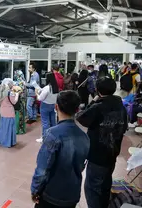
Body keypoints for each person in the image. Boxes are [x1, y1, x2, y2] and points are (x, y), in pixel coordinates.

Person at [31, 90, 89, 208]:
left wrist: (35, 189)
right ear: (77, 109)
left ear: (56, 107)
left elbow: (42, 169)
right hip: (72, 195)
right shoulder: (85, 137)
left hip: (52, 195)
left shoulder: (52, 134)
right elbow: (82, 166)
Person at [76, 77, 128, 208]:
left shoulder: (98, 107)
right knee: (105, 185)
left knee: (92, 189)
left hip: (98, 156)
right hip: (113, 152)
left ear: (98, 90)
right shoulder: (120, 106)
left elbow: (81, 117)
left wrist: (93, 101)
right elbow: (124, 127)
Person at [35, 73, 59, 143]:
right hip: (53, 105)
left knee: (45, 123)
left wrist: (37, 93)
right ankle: (54, 137)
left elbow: (40, 98)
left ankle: (44, 138)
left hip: (45, 106)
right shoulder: (55, 87)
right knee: (53, 122)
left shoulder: (47, 88)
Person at [0, 78, 21, 147]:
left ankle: (2, 140)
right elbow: (14, 101)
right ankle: (8, 142)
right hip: (9, 112)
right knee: (9, 128)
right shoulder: (10, 93)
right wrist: (17, 94)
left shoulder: (0, 92)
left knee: (3, 127)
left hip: (2, 111)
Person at [14, 70, 27, 135]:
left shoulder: (19, 83)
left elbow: (18, 91)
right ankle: (22, 129)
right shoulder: (23, 82)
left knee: (19, 115)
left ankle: (18, 130)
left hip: (20, 101)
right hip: (23, 101)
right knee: (22, 115)